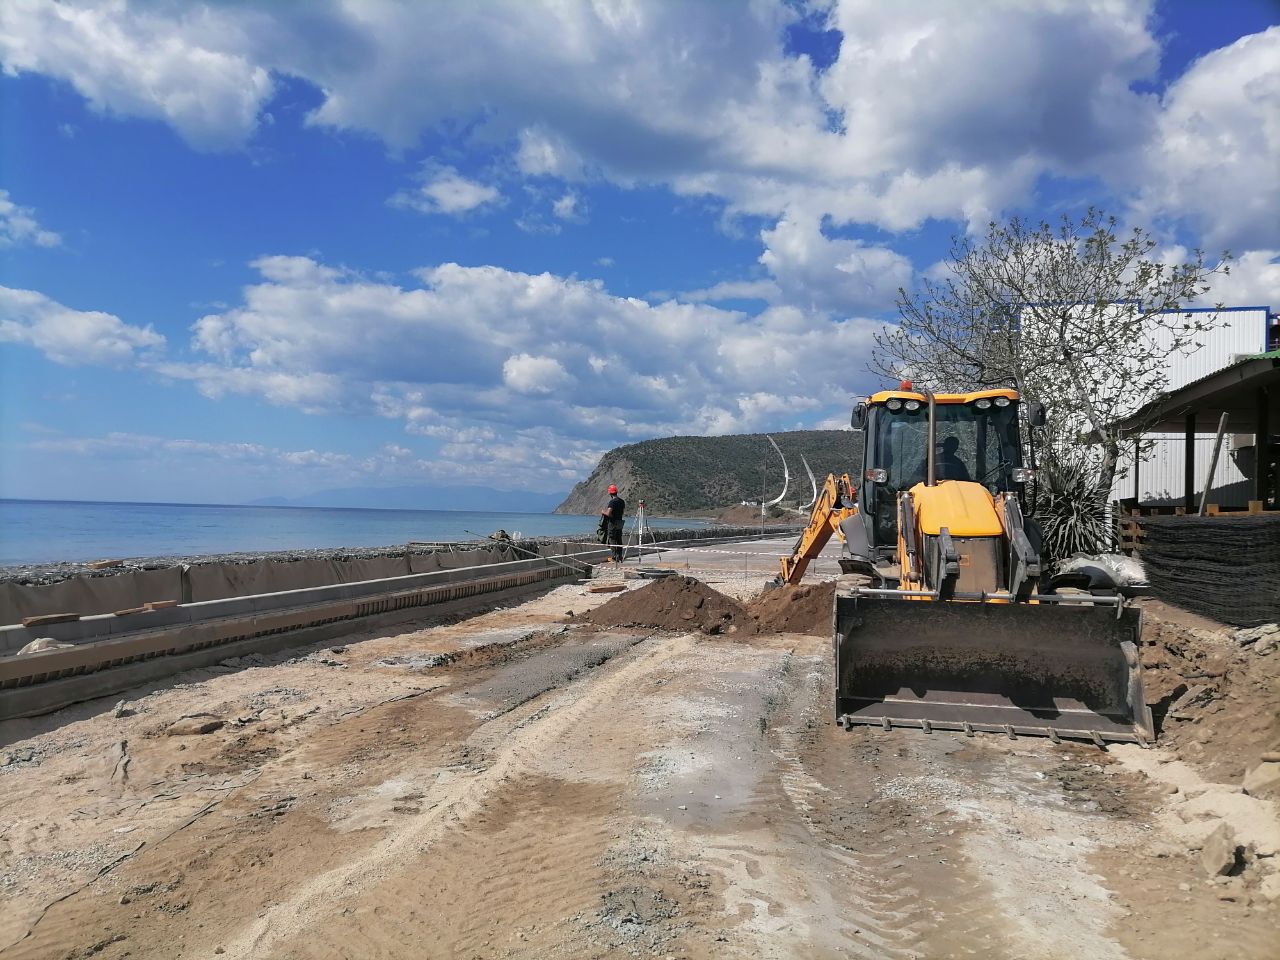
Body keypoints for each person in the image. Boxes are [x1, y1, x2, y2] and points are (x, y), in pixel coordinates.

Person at [601, 484, 626, 562]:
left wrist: (603, 512)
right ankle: (620, 556)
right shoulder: (622, 501)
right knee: (619, 539)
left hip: (612, 523)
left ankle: (614, 557)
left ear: (610, 493)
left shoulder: (612, 502)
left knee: (612, 539)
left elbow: (608, 513)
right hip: (620, 522)